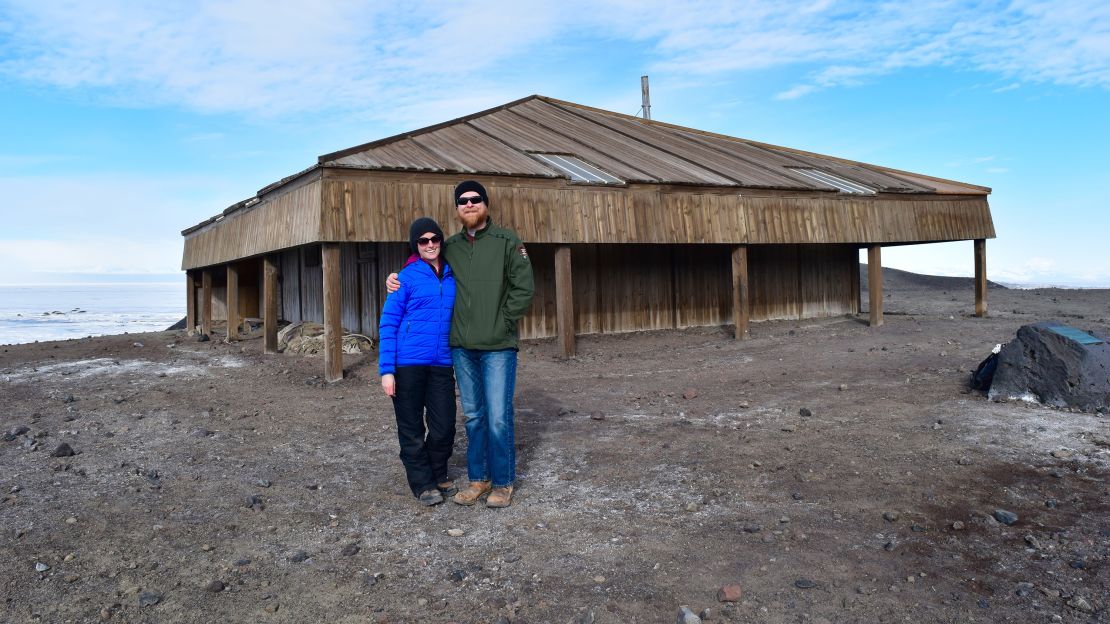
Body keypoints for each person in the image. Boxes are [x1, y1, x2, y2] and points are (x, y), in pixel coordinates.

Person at [388, 180, 534, 508]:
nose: (469, 205)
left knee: (497, 415)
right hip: (462, 348)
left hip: (497, 345)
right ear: (457, 208)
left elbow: (524, 288)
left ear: (485, 204)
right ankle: (479, 479)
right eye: (462, 201)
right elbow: (422, 261)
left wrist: (503, 321)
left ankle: (503, 482)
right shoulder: (450, 245)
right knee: (474, 416)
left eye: (475, 199)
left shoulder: (507, 241)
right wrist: (393, 277)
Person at [378, 217, 458, 506]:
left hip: (441, 363)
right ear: (416, 245)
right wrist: (387, 371)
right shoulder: (405, 278)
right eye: (423, 241)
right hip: (407, 364)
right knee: (411, 427)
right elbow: (388, 323)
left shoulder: (453, 274)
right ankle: (423, 483)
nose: (430, 245)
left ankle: (438, 473)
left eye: (435, 239)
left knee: (444, 425)